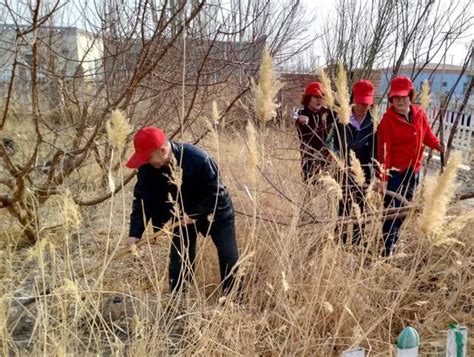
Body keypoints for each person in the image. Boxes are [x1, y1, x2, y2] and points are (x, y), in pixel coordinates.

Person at [125, 126, 240, 294]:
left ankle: (234, 301)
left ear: (163, 150)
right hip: (180, 214)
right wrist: (135, 232)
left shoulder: (200, 159)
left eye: (149, 157)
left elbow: (216, 194)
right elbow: (143, 199)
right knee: (179, 259)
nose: (147, 162)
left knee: (229, 256)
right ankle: (177, 299)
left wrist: (194, 214)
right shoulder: (147, 167)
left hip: (216, 212)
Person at [377, 76, 444, 256]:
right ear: (391, 98)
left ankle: (393, 240)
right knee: (392, 211)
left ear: (410, 96)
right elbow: (384, 153)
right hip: (395, 173)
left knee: (404, 210)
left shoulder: (419, 113)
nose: (400, 101)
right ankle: (387, 249)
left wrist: (437, 144)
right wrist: (383, 179)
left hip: (414, 171)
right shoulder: (387, 121)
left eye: (403, 97)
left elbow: (427, 135)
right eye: (396, 97)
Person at [329, 80, 377, 245]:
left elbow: (377, 151)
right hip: (343, 172)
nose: (363, 106)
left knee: (360, 209)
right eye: (360, 101)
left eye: (367, 102)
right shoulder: (341, 120)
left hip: (364, 174)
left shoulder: (374, 124)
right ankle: (339, 242)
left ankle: (357, 243)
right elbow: (330, 144)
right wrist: (337, 158)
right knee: (342, 207)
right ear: (353, 99)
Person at [293, 82, 336, 183]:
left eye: (321, 97)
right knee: (311, 191)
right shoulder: (301, 113)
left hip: (327, 161)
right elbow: (294, 117)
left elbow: (341, 118)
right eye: (316, 97)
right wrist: (299, 120)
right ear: (308, 98)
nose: (319, 100)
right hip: (309, 161)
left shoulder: (326, 112)